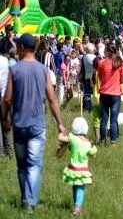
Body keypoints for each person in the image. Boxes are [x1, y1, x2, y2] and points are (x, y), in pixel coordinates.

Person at [1, 33, 66, 212]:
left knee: (22, 166)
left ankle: (26, 200)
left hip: (19, 125)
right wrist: (59, 123)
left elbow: (7, 99)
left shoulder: (14, 70)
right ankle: (30, 201)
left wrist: (5, 119)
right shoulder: (43, 70)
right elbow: (52, 99)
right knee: (34, 166)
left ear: (22, 48)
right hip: (38, 125)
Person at [57, 117, 97, 216]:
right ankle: (77, 207)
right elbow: (93, 155)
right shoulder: (88, 143)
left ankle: (76, 206)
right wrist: (91, 147)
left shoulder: (72, 138)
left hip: (73, 169)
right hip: (83, 170)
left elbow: (60, 138)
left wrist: (60, 131)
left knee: (75, 187)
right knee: (80, 188)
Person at [97, 44, 123, 146]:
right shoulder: (120, 63)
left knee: (104, 119)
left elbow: (101, 77)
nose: (104, 53)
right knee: (114, 120)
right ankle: (113, 143)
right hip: (116, 95)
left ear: (109, 52)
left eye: (105, 51)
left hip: (104, 93)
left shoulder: (101, 63)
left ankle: (102, 141)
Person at [0, 52, 11, 157]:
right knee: (4, 123)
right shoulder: (4, 60)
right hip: (4, 96)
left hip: (2, 95)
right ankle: (8, 150)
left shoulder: (3, 61)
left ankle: (1, 153)